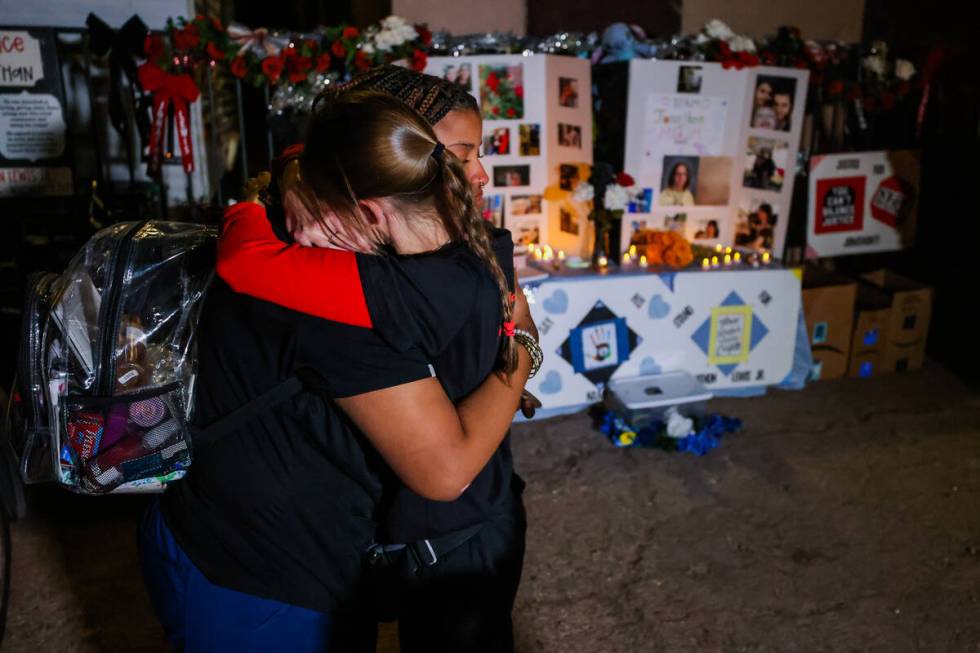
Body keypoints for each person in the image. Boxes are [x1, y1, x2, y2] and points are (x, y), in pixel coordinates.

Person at [140, 89, 540, 652]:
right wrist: (522, 349)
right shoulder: (376, 283)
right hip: (252, 566)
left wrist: (264, 199)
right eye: (458, 154)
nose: (479, 175)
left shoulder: (414, 262)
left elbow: (245, 254)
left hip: (328, 551)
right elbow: (446, 469)